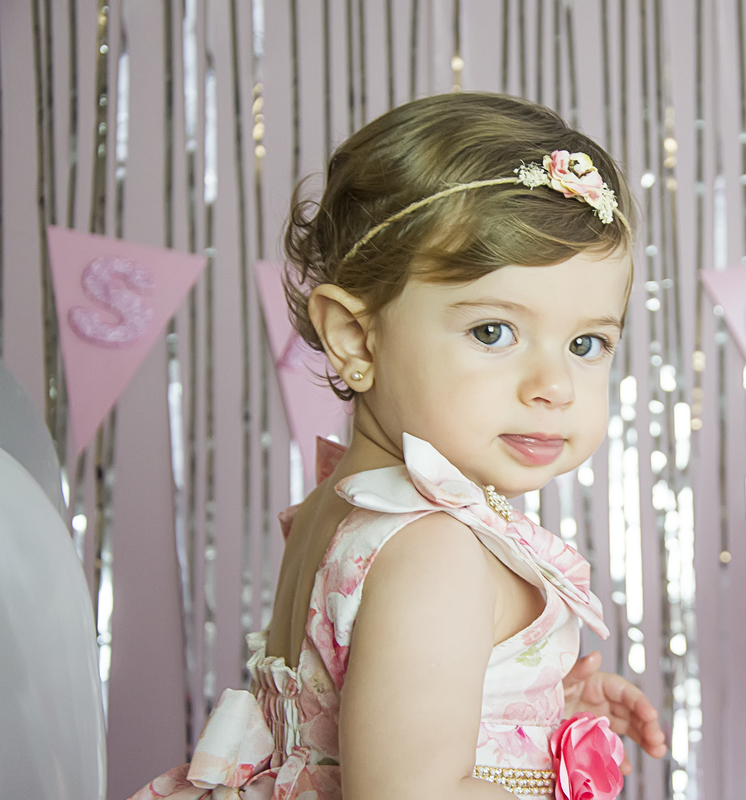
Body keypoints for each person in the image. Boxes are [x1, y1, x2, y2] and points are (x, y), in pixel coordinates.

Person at [131, 92, 666, 800]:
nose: (554, 386)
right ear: (355, 338)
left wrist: (534, 709)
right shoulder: (435, 547)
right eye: (493, 332)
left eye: (586, 343)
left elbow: (362, 711)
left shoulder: (341, 506)